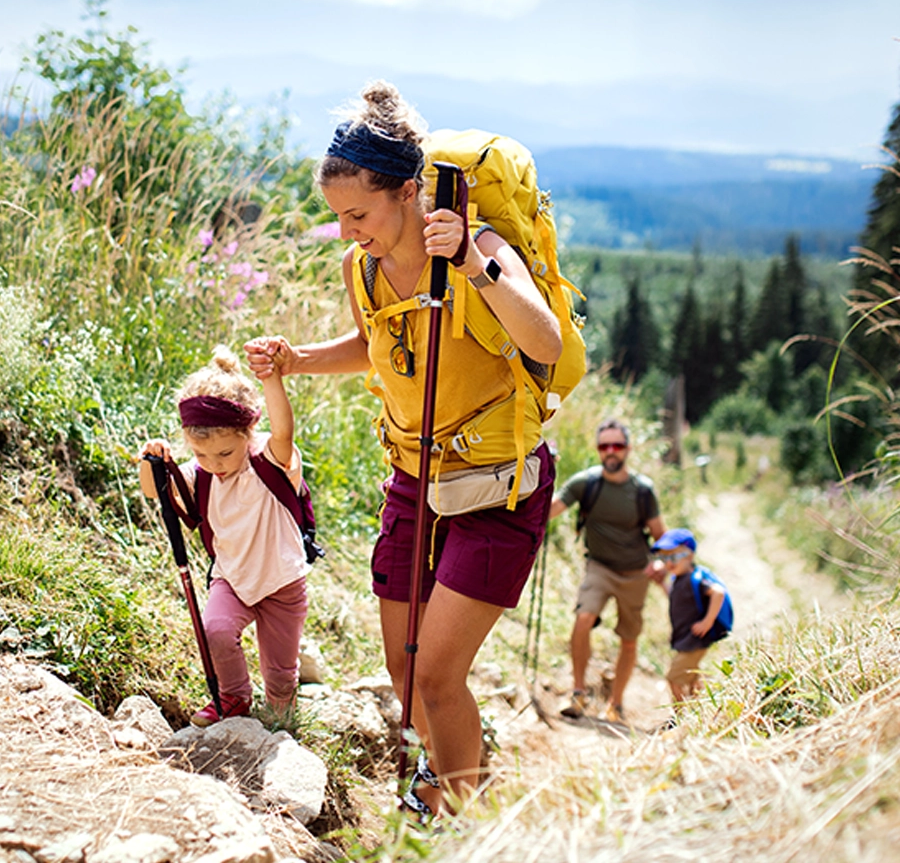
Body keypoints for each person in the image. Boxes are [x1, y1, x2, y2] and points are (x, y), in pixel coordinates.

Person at [246, 81, 562, 816]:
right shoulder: (363, 267)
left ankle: (462, 817)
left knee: (438, 676)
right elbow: (376, 343)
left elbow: (544, 340)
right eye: (338, 217)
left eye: (358, 214)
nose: (347, 231)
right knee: (404, 669)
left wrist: (476, 266)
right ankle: (444, 786)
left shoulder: (480, 248)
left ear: (409, 192)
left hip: (497, 486)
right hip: (414, 480)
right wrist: (297, 359)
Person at [139, 341, 308, 726]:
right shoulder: (200, 474)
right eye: (201, 454)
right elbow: (154, 491)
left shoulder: (269, 461)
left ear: (249, 433)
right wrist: (152, 460)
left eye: (225, 454)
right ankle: (234, 697)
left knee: (280, 673)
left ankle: (282, 717)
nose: (214, 464)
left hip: (282, 581)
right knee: (215, 630)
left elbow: (284, 430)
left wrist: (271, 379)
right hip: (231, 576)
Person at [547, 418, 666, 723]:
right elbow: (550, 510)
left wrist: (661, 562)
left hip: (635, 573)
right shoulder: (585, 483)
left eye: (617, 445)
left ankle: (616, 704)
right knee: (583, 618)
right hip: (599, 567)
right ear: (598, 449)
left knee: (629, 639)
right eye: (604, 446)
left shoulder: (642, 490)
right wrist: (543, 474)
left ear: (628, 449)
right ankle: (578, 693)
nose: (611, 451)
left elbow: (661, 537)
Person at [651, 528, 727, 705]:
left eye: (674, 557)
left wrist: (707, 622)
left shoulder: (695, 579)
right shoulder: (679, 579)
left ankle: (681, 713)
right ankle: (699, 705)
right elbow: (675, 598)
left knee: (673, 678)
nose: (669, 563)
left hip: (695, 639)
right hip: (686, 638)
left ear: (690, 556)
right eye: (664, 558)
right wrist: (662, 584)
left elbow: (718, 592)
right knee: (692, 676)